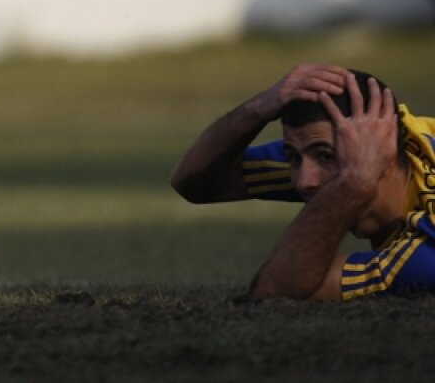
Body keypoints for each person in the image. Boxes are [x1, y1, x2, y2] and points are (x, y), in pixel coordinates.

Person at [171, 63, 435, 299]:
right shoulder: (402, 139)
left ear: (384, 154)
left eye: (324, 155)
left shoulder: (425, 255)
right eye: (294, 157)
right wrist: (259, 108)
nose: (303, 181)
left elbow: (276, 290)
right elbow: (196, 183)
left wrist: (355, 181)